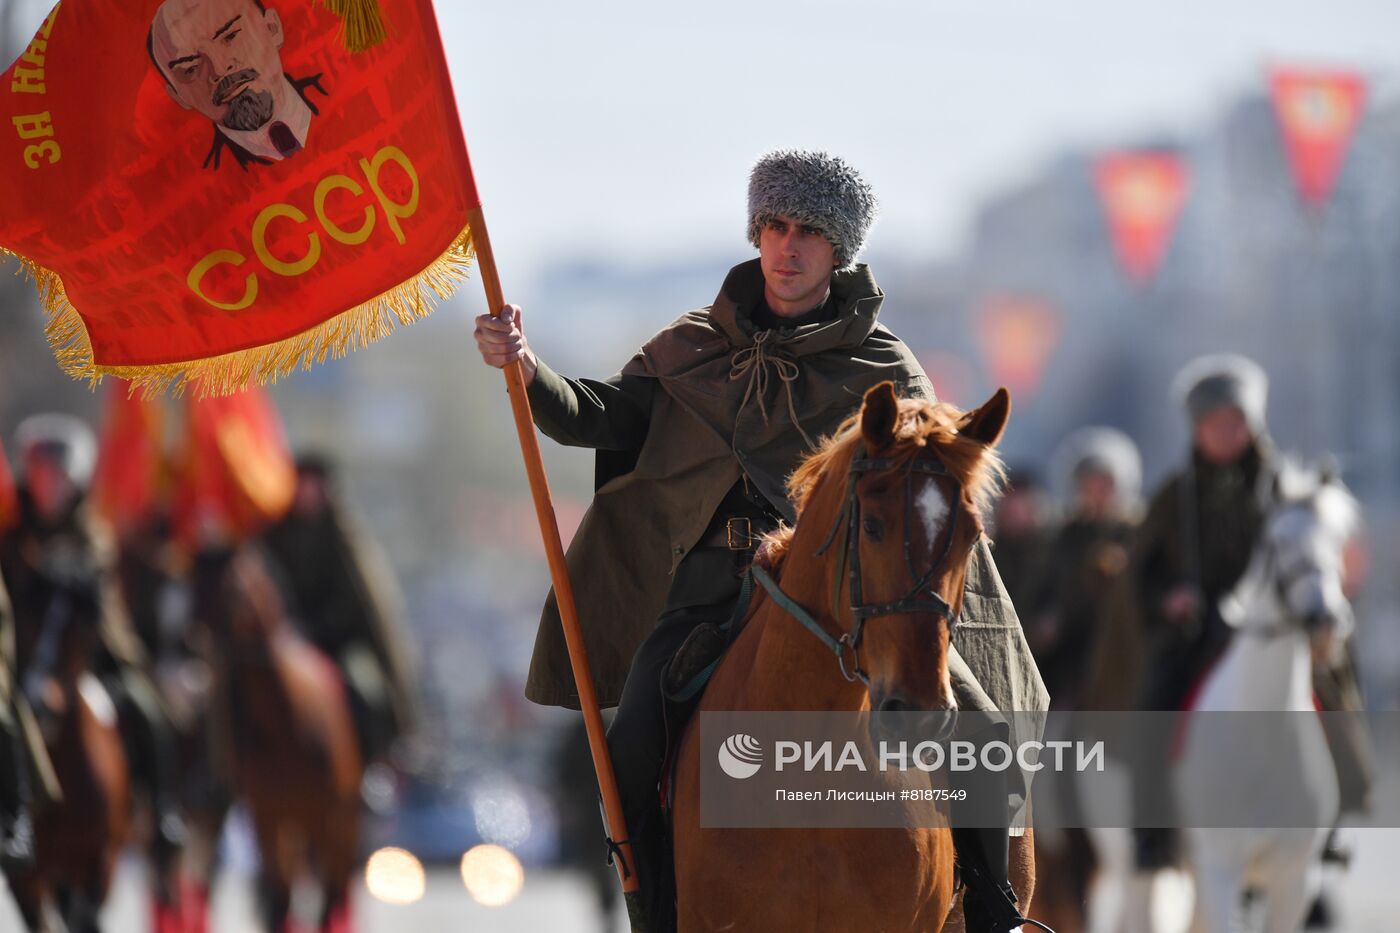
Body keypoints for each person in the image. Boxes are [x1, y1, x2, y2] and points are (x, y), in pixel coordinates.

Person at [475, 149, 1049, 932]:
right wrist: (528, 367)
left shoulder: (882, 363)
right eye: (775, 226)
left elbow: (929, 485)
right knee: (635, 732)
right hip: (710, 590)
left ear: (838, 249)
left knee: (981, 727)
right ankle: (657, 911)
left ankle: (992, 905)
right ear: (757, 234)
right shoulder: (691, 347)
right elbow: (597, 416)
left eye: (808, 231)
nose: (788, 246)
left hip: (859, 594)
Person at [0, 414, 185, 853]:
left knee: (146, 708)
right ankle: (15, 814)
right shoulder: (11, 534)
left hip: (90, 656)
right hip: (22, 657)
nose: (49, 487)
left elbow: (94, 601)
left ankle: (161, 811)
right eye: (41, 476)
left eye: (58, 477)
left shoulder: (92, 532)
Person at [260, 454, 418, 767]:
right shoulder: (273, 538)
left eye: (313, 484)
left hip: (337, 644)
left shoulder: (343, 540)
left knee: (366, 691)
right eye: (301, 483)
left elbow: (354, 603)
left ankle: (370, 766)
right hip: (282, 644)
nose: (307, 492)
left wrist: (317, 629)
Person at [1031, 428, 1141, 710]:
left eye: (1104, 483)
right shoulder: (1065, 536)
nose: (1096, 492)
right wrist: (1048, 617)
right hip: (1068, 659)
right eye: (1089, 483)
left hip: (1121, 654)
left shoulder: (1135, 534)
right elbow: (1047, 585)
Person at [148, 0, 327, 169]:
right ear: (178, 96)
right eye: (191, 68)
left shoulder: (336, 84)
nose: (219, 69)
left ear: (272, 28)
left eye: (230, 36)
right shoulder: (205, 181)